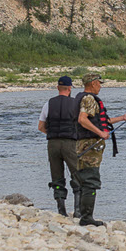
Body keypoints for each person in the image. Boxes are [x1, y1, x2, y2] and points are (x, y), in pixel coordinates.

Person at [74, 73, 126, 227]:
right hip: (89, 145)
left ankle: (83, 214)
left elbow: (101, 121)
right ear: (93, 83)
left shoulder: (84, 98)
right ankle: (87, 218)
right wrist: (101, 133)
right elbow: (82, 119)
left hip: (85, 144)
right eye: (99, 83)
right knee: (91, 180)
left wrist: (122, 118)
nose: (100, 86)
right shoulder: (88, 98)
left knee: (86, 178)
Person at [38, 75, 80, 216]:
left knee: (57, 176)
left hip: (52, 143)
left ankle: (61, 210)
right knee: (77, 175)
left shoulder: (48, 104)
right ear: (70, 88)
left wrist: (51, 133)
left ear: (57, 88)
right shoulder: (76, 104)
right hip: (70, 143)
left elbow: (41, 127)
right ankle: (78, 211)